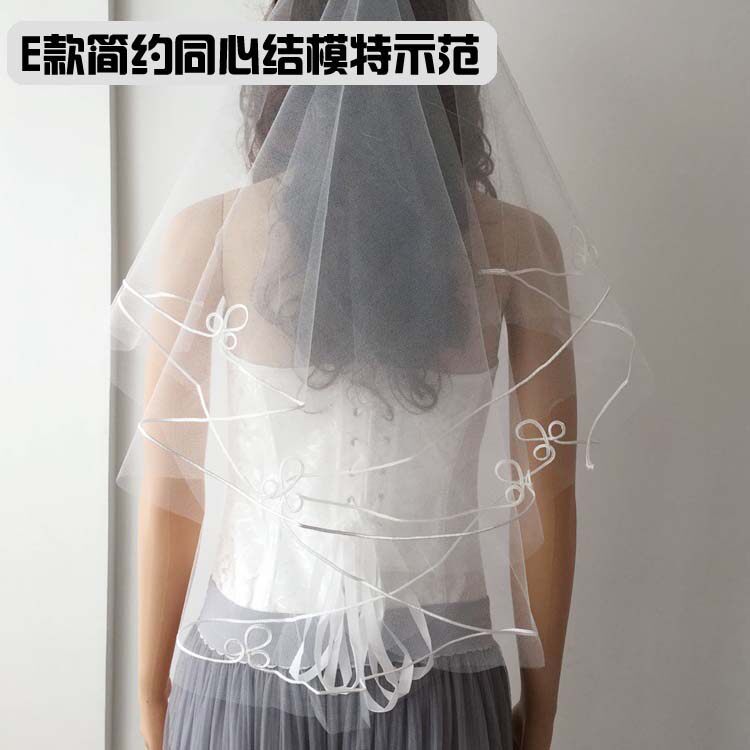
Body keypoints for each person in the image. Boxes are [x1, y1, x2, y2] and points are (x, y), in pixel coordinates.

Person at [113, 1, 635, 748]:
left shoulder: (213, 231)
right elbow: (546, 494)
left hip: (246, 677)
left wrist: (149, 694)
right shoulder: (516, 244)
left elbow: (172, 484)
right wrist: (542, 709)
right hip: (436, 685)